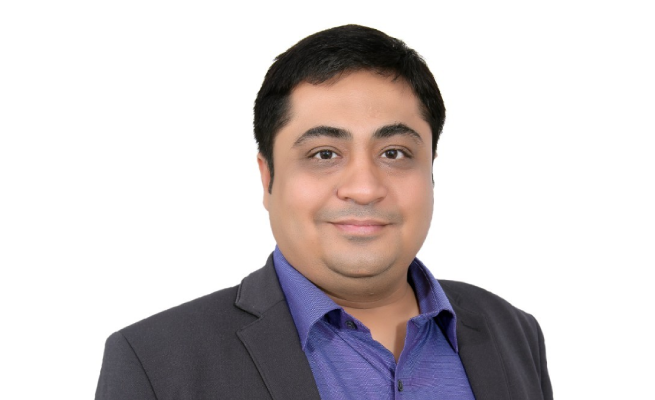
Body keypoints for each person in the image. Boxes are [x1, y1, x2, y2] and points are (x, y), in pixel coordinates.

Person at [96, 24, 553, 400]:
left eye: (394, 153)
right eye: (324, 154)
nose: (364, 188)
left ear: (431, 171)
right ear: (268, 177)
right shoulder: (155, 364)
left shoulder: (513, 332)